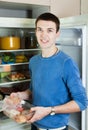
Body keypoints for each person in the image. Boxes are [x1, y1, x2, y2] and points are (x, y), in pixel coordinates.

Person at [9, 12, 87, 130]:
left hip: (55, 128)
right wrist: (20, 95)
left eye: (49, 30)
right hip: (34, 123)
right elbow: (33, 91)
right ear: (35, 32)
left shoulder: (66, 63)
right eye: (40, 30)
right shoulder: (33, 61)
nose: (43, 35)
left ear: (57, 34)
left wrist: (49, 110)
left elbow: (82, 103)